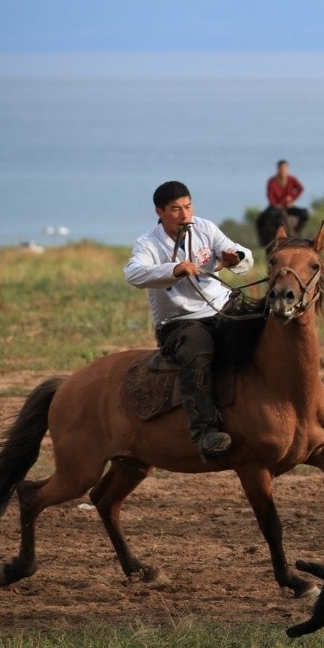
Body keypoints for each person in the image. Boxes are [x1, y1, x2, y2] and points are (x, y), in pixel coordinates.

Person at [123, 180, 254, 461]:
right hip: (179, 321)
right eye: (175, 209)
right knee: (198, 350)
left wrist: (236, 257)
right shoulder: (148, 243)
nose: (185, 215)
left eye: (188, 206)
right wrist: (175, 268)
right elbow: (133, 274)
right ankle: (205, 432)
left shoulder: (205, 228)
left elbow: (243, 255)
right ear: (160, 212)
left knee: (263, 327)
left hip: (222, 306)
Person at [266, 160, 309, 233]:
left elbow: (301, 189)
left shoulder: (292, 179)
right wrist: (275, 205)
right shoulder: (272, 181)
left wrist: (292, 199)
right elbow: (270, 196)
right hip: (276, 208)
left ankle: (297, 232)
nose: (283, 171)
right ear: (278, 169)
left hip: (288, 206)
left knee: (304, 213)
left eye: (285, 169)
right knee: (264, 218)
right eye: (281, 169)